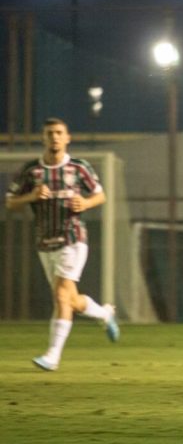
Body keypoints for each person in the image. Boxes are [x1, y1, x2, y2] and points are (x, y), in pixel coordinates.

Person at [5, 117, 120, 371]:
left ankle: (52, 356)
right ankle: (104, 313)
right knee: (71, 299)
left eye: (59, 133)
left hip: (73, 239)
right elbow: (11, 202)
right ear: (43, 138)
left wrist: (86, 203)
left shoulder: (79, 168)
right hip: (45, 243)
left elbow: (100, 195)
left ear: (67, 138)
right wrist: (31, 196)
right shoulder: (31, 171)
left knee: (60, 296)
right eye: (49, 133)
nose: (55, 137)